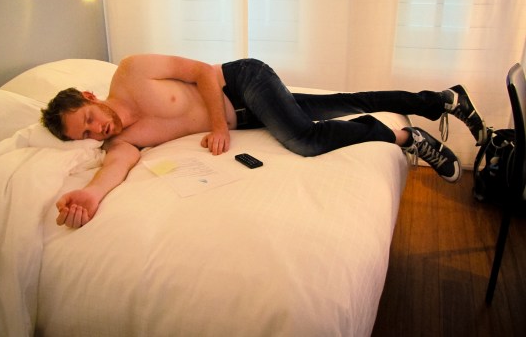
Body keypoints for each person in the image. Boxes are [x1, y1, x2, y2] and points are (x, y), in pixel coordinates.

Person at [41, 54, 487, 228]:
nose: (96, 131)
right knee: (345, 102)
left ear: (90, 96)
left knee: (305, 139)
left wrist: (218, 127)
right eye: (85, 134)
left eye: (88, 119)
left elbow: (202, 71)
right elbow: (114, 168)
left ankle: (404, 136)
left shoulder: (131, 71)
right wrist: (90, 195)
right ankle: (441, 100)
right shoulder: (123, 142)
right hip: (250, 117)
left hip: (244, 82)